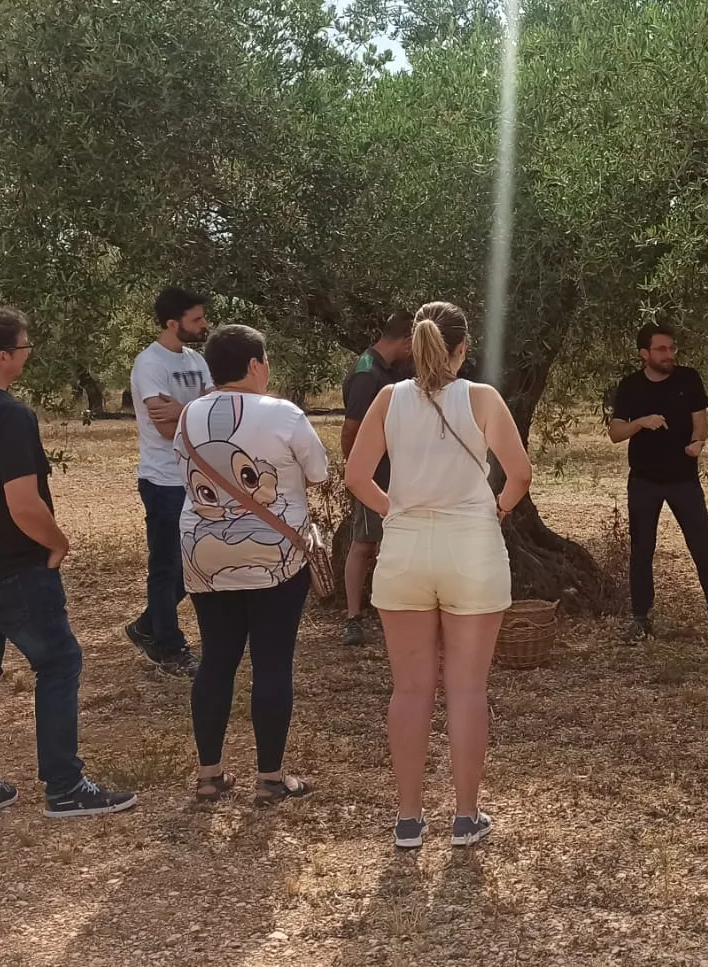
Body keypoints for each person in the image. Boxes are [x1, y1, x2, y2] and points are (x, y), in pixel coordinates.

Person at [0, 307, 136, 822]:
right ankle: (64, 787)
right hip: (12, 568)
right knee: (58, 663)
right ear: (2, 357)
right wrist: (57, 542)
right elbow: (23, 503)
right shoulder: (9, 415)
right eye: (24, 347)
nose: (26, 354)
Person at [346, 301, 531, 850]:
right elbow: (519, 474)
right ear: (461, 349)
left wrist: (397, 511)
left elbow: (357, 476)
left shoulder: (388, 398)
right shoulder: (483, 398)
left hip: (404, 550)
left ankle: (408, 819)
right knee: (468, 688)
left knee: (409, 689)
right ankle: (465, 817)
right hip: (471, 547)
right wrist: (494, 510)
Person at [174, 325, 326, 806]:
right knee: (272, 661)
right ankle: (271, 776)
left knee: (217, 659)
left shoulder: (188, 416)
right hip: (275, 555)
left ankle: (210, 774)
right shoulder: (283, 413)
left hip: (203, 554)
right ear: (257, 365)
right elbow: (319, 472)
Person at [608, 325, 708, 646]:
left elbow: (701, 423)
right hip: (644, 481)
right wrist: (641, 422)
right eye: (662, 350)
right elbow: (615, 433)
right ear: (644, 354)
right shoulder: (630, 386)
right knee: (642, 552)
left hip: (684, 481)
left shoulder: (688, 379)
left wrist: (698, 443)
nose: (670, 355)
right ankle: (640, 620)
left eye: (672, 349)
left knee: (703, 550)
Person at [125, 287, 212, 679]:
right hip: (163, 480)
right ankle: (168, 646)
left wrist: (186, 410)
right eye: (196, 319)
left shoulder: (197, 360)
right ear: (172, 323)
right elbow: (163, 427)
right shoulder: (150, 364)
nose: (204, 325)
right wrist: (198, 412)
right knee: (166, 566)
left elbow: (219, 407)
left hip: (197, 478)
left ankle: (147, 625)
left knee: (192, 564)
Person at [339, 310, 415, 647]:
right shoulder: (368, 374)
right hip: (376, 476)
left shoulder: (389, 369)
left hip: (396, 472)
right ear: (407, 340)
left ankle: (391, 613)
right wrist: (359, 469)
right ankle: (354, 618)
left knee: (389, 545)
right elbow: (351, 429)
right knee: (365, 543)